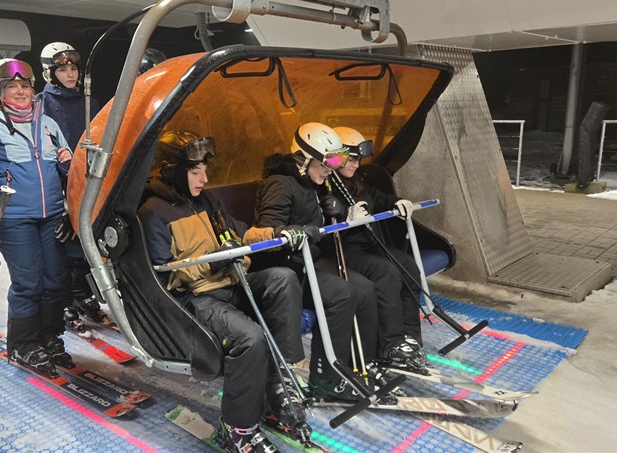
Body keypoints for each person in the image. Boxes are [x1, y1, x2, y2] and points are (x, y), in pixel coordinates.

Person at [138, 130, 309, 453]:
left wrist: (278, 233)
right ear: (174, 170)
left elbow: (240, 233)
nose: (203, 179)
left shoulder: (207, 201)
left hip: (231, 281)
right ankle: (238, 429)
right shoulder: (154, 212)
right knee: (251, 338)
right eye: (195, 172)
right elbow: (162, 275)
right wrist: (213, 262)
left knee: (283, 279)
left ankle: (279, 385)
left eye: (205, 170)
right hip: (198, 298)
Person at [253, 122, 383, 402]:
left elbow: (323, 228)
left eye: (334, 163)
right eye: (326, 163)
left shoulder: (314, 185)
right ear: (303, 158)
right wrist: (289, 232)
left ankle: (358, 364)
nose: (330, 170)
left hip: (309, 263)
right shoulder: (280, 185)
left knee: (363, 288)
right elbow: (267, 231)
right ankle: (326, 379)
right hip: (287, 270)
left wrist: (345, 217)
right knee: (342, 294)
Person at [0, 58, 73, 378]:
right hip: (13, 216)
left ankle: (49, 337)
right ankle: (24, 344)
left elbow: (68, 167)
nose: (20, 91)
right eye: (11, 86)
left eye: (24, 85)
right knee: (29, 283)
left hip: (51, 213)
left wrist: (69, 164)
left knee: (54, 280)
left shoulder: (47, 123)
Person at [330, 126, 427, 372]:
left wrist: (397, 202)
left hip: (366, 245)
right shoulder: (327, 184)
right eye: (351, 159)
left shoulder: (355, 183)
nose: (356, 164)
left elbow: (378, 197)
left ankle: (409, 337)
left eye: (358, 159)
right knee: (385, 272)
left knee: (407, 265)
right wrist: (345, 219)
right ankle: (389, 343)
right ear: (336, 157)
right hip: (342, 250)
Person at [37, 42, 103, 323]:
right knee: (62, 241)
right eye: (62, 70)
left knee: (87, 238)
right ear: (50, 74)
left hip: (88, 179)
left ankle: (81, 292)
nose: (70, 74)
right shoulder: (41, 103)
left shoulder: (90, 102)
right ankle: (64, 298)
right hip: (58, 181)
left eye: (73, 68)